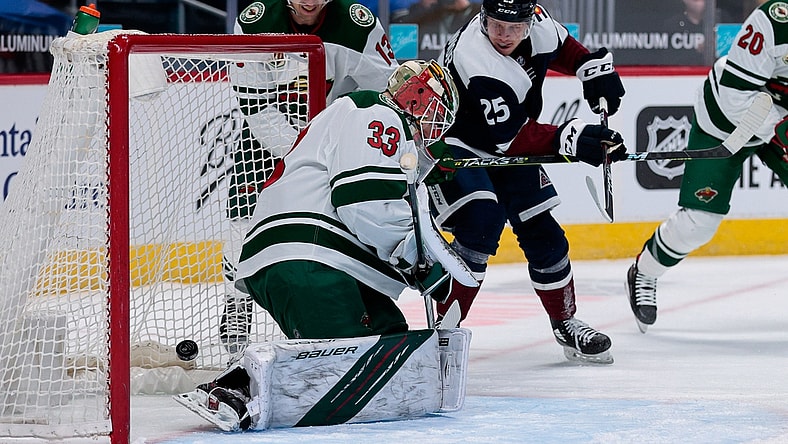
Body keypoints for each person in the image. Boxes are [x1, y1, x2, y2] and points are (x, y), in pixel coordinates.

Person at [176, 60, 476, 431]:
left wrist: (425, 168)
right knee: (346, 366)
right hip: (310, 255)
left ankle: (249, 382)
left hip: (324, 261)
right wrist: (420, 263)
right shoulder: (376, 112)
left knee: (391, 346)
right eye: (436, 112)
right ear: (417, 98)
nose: (435, 126)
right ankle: (234, 388)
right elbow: (364, 202)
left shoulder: (368, 119)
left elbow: (382, 202)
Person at [429, 0, 627, 364]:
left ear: (529, 19)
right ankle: (440, 332)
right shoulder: (478, 59)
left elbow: (563, 46)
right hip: (456, 145)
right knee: (481, 224)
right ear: (483, 18)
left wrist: (589, 68)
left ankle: (565, 322)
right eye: (496, 25)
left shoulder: (536, 19)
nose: (504, 35)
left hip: (505, 145)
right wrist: (573, 138)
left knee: (544, 233)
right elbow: (512, 137)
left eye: (514, 27)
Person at [218, 0, 400, 355]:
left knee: (340, 221)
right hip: (264, 140)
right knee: (242, 221)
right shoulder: (255, 23)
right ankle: (236, 303)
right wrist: (302, 150)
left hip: (334, 145)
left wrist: (341, 140)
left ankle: (350, 295)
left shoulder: (357, 26)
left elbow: (382, 96)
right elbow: (256, 106)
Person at [627, 0, 788, 333]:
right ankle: (645, 270)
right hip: (728, 121)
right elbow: (734, 98)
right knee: (699, 222)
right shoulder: (773, 21)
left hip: (778, 122)